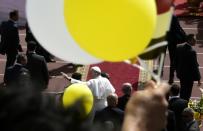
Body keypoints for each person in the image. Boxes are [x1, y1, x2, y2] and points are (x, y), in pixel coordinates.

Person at [175, 34, 201, 101]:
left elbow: (175, 61)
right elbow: (194, 66)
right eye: (194, 40)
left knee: (183, 90)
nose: (196, 41)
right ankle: (184, 106)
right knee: (187, 93)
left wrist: (177, 71)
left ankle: (180, 103)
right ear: (189, 40)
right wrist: (198, 78)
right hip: (189, 77)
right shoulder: (192, 52)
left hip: (181, 74)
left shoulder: (179, 47)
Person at [0, 10, 23, 83]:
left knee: (9, 63)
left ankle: (7, 79)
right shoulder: (14, 26)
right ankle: (7, 80)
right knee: (10, 64)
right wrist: (19, 48)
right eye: (17, 15)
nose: (18, 17)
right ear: (13, 16)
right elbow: (16, 40)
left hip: (5, 48)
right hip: (12, 49)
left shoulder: (3, 24)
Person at [167, 15, 187, 84]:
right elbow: (177, 28)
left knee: (161, 60)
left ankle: (159, 76)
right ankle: (171, 77)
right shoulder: (173, 17)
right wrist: (183, 34)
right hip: (172, 40)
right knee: (172, 60)